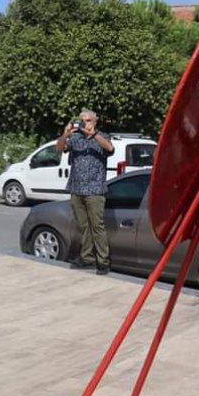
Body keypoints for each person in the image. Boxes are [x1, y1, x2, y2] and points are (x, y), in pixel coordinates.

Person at [57, 109, 114, 275]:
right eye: (82, 120)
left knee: (97, 226)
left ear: (95, 121)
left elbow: (109, 148)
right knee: (83, 226)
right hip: (76, 188)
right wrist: (65, 134)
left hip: (95, 189)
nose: (85, 123)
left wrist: (93, 134)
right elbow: (60, 148)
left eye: (88, 120)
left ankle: (103, 261)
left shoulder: (102, 137)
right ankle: (86, 258)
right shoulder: (75, 138)